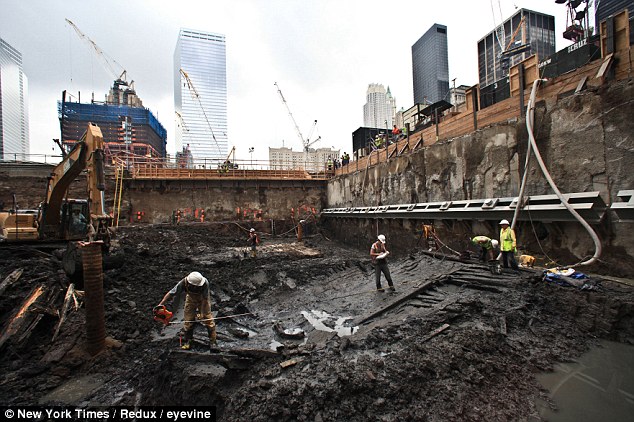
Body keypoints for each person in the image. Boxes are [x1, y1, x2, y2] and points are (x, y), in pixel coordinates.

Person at [157, 271, 217, 351]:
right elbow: (171, 293)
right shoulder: (184, 282)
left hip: (203, 300)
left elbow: (205, 299)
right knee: (188, 322)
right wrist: (160, 304)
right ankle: (189, 341)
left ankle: (213, 341)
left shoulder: (205, 283)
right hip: (190, 299)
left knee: (208, 320)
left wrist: (201, 313)